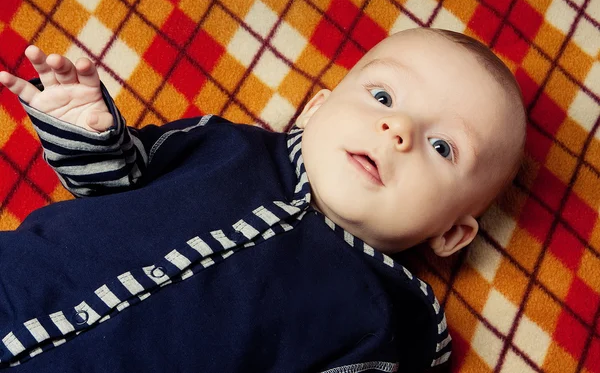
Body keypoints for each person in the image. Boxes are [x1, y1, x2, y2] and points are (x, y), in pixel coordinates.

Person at [0, 27, 526, 372]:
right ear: (317, 109)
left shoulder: (387, 317)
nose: (399, 130)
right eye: (383, 97)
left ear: (452, 234)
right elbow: (114, 177)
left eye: (442, 147)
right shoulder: (223, 143)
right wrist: (85, 131)